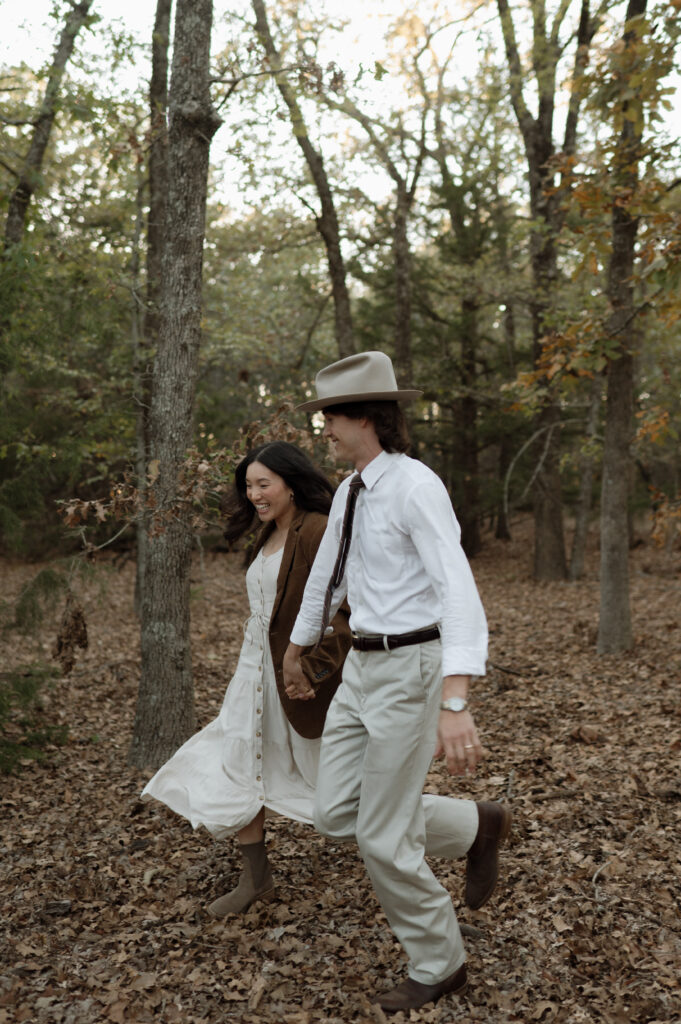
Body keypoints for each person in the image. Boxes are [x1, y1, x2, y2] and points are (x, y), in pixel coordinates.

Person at [283, 351, 511, 1014]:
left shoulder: (415, 487)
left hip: (411, 668)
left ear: (364, 417)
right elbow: (327, 576)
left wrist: (455, 700)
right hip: (358, 665)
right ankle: (475, 827)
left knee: (381, 836)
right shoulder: (353, 489)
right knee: (334, 814)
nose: (322, 425)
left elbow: (458, 592)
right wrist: (298, 648)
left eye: (328, 413)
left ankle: (439, 963)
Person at [141, 441, 351, 917]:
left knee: (335, 792)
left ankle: (465, 829)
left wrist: (311, 668)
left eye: (264, 484)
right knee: (240, 762)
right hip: (253, 671)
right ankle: (256, 878)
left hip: (300, 678)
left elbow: (346, 612)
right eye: (249, 485)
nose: (254, 494)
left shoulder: (317, 530)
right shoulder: (270, 532)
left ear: (292, 484)